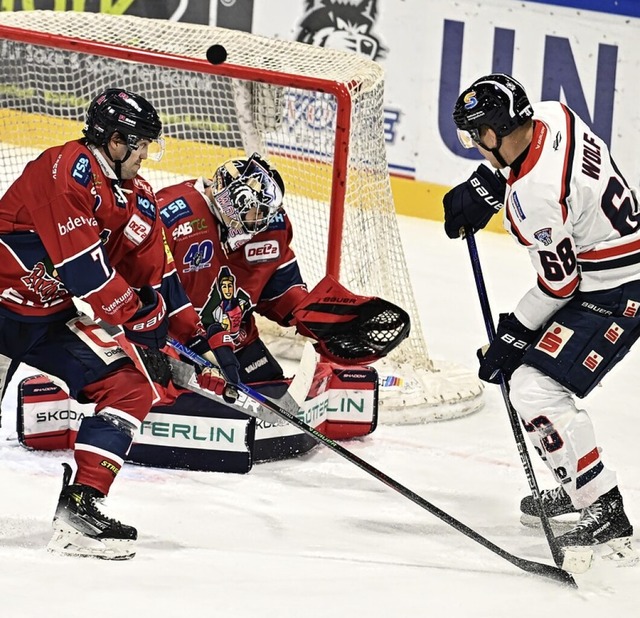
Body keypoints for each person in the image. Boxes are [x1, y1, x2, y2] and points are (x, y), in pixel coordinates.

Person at [0, 88, 237, 560]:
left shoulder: (138, 197)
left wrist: (203, 343)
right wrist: (144, 324)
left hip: (49, 319)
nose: (146, 155)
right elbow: (88, 277)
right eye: (140, 143)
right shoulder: (64, 172)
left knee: (130, 386)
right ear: (113, 141)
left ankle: (80, 513)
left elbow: (160, 278)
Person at [442, 73, 638, 557]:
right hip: (610, 267)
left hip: (619, 291)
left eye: (476, 137)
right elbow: (536, 164)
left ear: (493, 132)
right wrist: (488, 184)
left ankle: (604, 510)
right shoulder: (552, 112)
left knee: (533, 386)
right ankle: (578, 486)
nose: (475, 146)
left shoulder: (533, 199)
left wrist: (512, 335)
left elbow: (560, 284)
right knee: (532, 383)